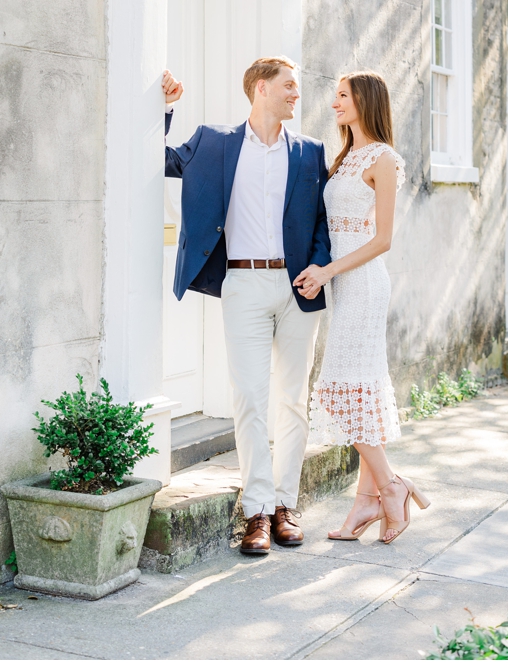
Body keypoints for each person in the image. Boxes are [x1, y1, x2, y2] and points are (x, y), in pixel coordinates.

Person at [161, 57, 332, 556]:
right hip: (242, 284)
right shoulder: (214, 142)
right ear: (261, 89)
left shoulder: (309, 151)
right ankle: (256, 510)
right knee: (251, 398)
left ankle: (286, 505)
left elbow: (323, 221)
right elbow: (161, 160)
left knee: (292, 400)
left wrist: (318, 267)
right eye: (289, 87)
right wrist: (166, 108)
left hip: (298, 286)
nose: (296, 96)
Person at [295, 71, 431, 543]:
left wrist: (328, 271)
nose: (334, 103)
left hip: (364, 284)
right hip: (342, 285)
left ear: (365, 101)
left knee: (341, 387)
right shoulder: (345, 156)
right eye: (335, 96)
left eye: (343, 96)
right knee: (361, 390)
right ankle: (364, 506)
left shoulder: (385, 159)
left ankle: (392, 486)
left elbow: (384, 239)